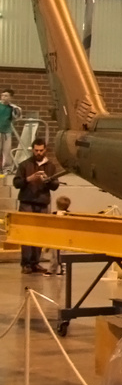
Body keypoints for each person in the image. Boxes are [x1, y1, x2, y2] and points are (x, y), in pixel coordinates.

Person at [13, 138, 61, 275]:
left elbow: (55, 186)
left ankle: (35, 262)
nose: (39, 153)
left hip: (42, 203)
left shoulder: (50, 166)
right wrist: (29, 179)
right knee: (27, 234)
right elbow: (16, 183)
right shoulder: (24, 165)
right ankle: (26, 263)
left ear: (45, 150)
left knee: (40, 234)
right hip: (27, 202)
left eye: (41, 150)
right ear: (32, 150)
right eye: (36, 150)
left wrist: (47, 181)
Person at [0, 89, 18, 174]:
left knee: (6, 150)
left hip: (7, 131)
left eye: (6, 96)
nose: (3, 97)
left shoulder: (12, 107)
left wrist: (15, 110)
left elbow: (17, 116)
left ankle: (6, 168)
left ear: (10, 97)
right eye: (2, 95)